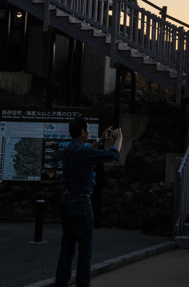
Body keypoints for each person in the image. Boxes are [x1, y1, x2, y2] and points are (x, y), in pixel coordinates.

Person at [55, 119, 122, 287]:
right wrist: (119, 139)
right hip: (80, 203)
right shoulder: (82, 152)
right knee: (86, 249)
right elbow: (113, 155)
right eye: (88, 129)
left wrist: (100, 141)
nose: (89, 132)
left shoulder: (69, 149)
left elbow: (85, 152)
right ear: (82, 132)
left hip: (66, 200)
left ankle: (61, 284)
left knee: (67, 248)